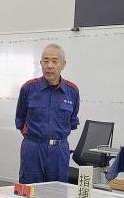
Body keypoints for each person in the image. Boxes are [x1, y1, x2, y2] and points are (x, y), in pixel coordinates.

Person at [15, 43, 80, 183]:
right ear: (41, 63)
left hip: (59, 151)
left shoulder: (72, 91)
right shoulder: (28, 88)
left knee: (57, 191)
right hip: (33, 149)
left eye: (54, 61)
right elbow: (20, 120)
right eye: (46, 61)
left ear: (63, 64)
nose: (49, 66)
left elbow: (72, 122)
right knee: (29, 191)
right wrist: (37, 140)